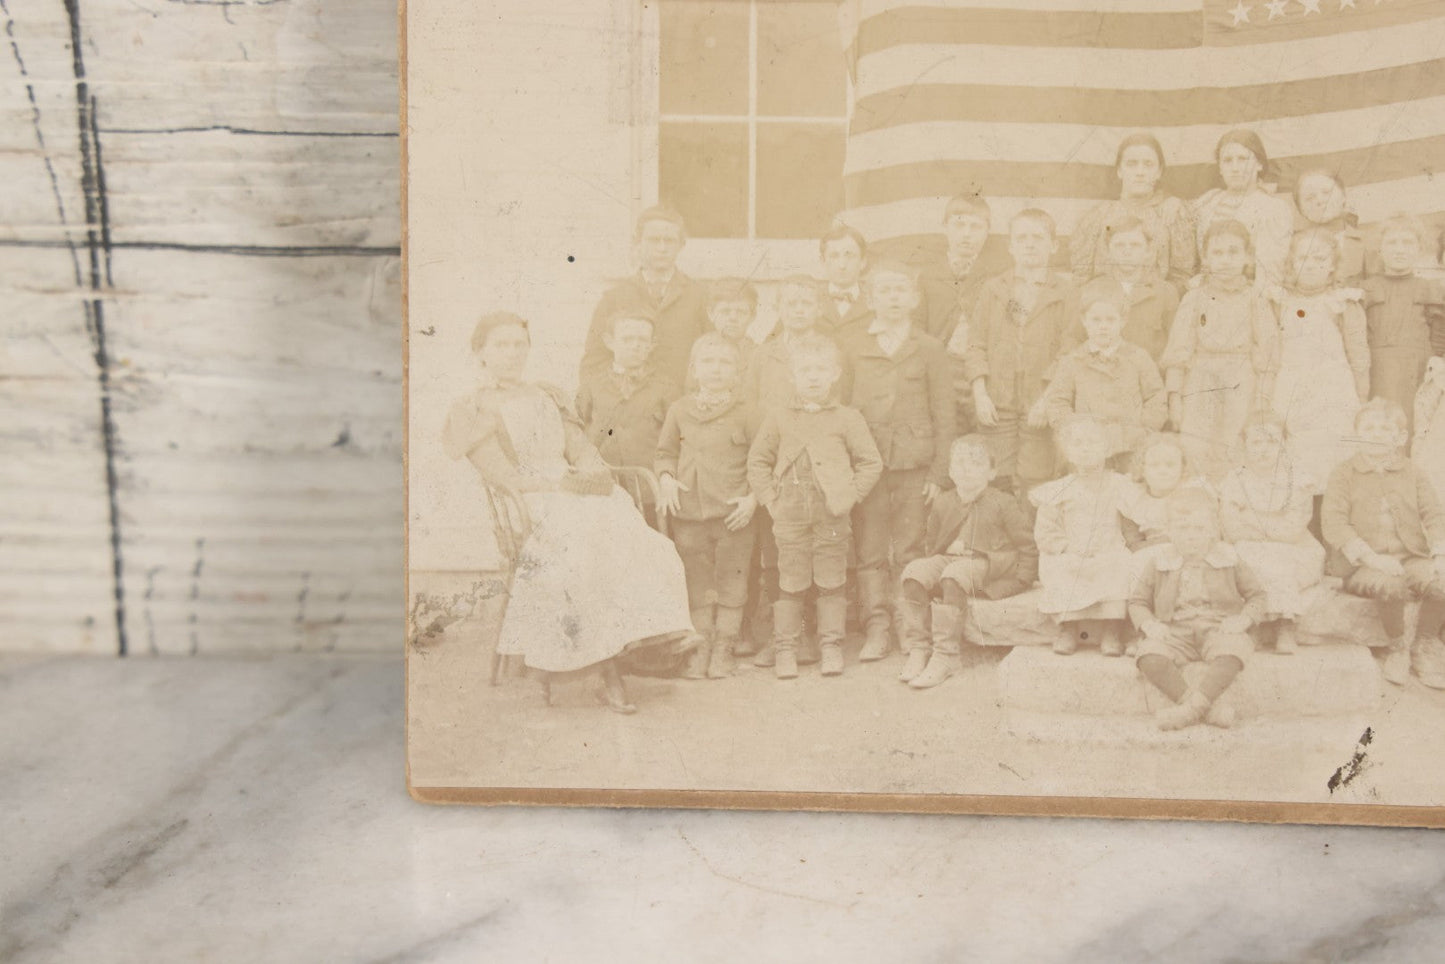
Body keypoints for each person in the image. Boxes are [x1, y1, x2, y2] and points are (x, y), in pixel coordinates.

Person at [442, 312, 697, 713]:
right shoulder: (472, 407)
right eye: (501, 346)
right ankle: (607, 672)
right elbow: (502, 476)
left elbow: (580, 448)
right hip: (531, 501)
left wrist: (592, 471)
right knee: (583, 549)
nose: (512, 354)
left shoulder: (547, 394)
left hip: (572, 489)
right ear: (481, 353)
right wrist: (559, 486)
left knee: (643, 539)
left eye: (518, 345)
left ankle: (648, 640)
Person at [747, 335, 883, 678]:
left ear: (835, 374)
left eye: (821, 369)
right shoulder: (778, 417)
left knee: (831, 579)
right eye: (805, 370)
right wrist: (771, 501)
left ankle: (831, 647)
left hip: (832, 512)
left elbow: (870, 462)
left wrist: (849, 496)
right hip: (789, 512)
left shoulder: (848, 418)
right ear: (792, 376)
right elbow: (758, 462)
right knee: (790, 580)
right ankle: (786, 650)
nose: (813, 377)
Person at [844, 261, 956, 661]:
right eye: (884, 291)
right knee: (871, 551)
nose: (893, 298)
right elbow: (841, 410)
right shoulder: (854, 345)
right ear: (870, 299)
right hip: (868, 467)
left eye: (900, 290)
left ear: (914, 298)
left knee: (909, 552)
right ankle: (876, 628)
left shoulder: (929, 348)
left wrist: (940, 473)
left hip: (915, 468)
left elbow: (945, 413)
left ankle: (912, 632)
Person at [895, 436, 1037, 689]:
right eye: (960, 463)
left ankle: (947, 655)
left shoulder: (1003, 502)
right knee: (913, 572)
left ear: (992, 472)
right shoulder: (943, 501)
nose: (967, 469)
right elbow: (932, 544)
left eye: (976, 463)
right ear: (950, 471)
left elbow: (1027, 544)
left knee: (955, 574)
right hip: (952, 561)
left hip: (989, 562)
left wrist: (1021, 580)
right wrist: (940, 561)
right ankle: (919, 646)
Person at [1321, 398, 1445, 689]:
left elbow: (1434, 513)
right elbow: (1334, 523)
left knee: (1441, 579)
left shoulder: (1413, 472)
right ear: (1357, 433)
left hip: (1410, 557)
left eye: (1385, 428)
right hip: (1362, 565)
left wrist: (1439, 552)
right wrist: (1373, 559)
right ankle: (1397, 646)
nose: (1376, 433)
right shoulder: (1343, 474)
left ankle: (1425, 644)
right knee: (1392, 585)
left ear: (1400, 437)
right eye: (1369, 427)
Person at [656, 335, 758, 680]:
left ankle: (724, 649)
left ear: (738, 371)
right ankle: (700, 648)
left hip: (734, 513)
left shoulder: (748, 411)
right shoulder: (680, 409)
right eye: (708, 362)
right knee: (698, 583)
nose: (716, 370)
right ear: (694, 369)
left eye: (725, 363)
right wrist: (667, 477)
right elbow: (665, 452)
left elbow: (763, 459)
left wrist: (752, 498)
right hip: (689, 513)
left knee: (732, 581)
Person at [964, 208, 1081, 500]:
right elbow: (976, 344)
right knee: (995, 478)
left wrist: (1048, 398)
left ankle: (1031, 544)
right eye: (1022, 238)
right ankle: (997, 545)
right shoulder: (994, 289)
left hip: (1039, 402)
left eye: (1038, 238)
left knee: (1036, 479)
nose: (1030, 244)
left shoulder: (1065, 292)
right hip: (997, 401)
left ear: (1053, 245)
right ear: (1011, 246)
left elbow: (1070, 351)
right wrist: (980, 394)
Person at [1130, 488, 1268, 731]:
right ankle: (1204, 709)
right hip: (1175, 630)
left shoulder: (1229, 558)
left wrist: (1243, 620)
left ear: (1213, 530)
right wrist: (1149, 624)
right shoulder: (1159, 560)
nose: (1191, 536)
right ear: (1169, 530)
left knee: (1233, 651)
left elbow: (1257, 596)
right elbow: (1138, 601)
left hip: (1218, 628)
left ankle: (1188, 712)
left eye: (1199, 529)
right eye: (1183, 528)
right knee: (1148, 656)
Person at [1160, 219, 1277, 481]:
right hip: (1200, 378)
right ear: (1206, 257)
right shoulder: (1195, 298)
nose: (1225, 260)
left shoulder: (1255, 299)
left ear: (1248, 256)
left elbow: (1267, 353)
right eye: (1218, 253)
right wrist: (1175, 397)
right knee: (1196, 444)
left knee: (1234, 444)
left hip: (1240, 379)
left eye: (1233, 252)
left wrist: (1262, 398)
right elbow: (1179, 350)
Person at [1031, 415, 1148, 657]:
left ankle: (1112, 629)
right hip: (1072, 553)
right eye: (1077, 443)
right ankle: (1068, 627)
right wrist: (1066, 548)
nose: (1085, 448)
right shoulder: (1059, 489)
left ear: (1106, 449)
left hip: (1109, 551)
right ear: (1068, 452)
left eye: (1093, 442)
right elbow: (1046, 531)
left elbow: (1134, 522)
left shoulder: (1118, 484)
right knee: (1056, 565)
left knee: (1120, 564)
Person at [1218, 414, 1325, 655]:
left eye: (1272, 442)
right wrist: (1268, 528)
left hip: (1295, 549)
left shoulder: (1296, 480)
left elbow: (1293, 530)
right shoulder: (1236, 480)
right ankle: (1257, 622)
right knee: (1247, 557)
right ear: (1244, 446)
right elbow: (1232, 529)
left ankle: (1285, 624)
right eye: (1256, 443)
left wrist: (1252, 523)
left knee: (1277, 560)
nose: (1264, 450)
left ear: (1284, 445)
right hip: (1249, 547)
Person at [1269, 228, 1369, 484]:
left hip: (1333, 386)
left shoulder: (1341, 301)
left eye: (1319, 259)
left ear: (1333, 267)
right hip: (1292, 385)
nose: (1311, 265)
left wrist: (1361, 395)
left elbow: (1358, 353)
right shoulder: (1280, 301)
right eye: (1303, 259)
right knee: (1297, 452)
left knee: (1335, 448)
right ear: (1291, 265)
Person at [579, 206, 708, 389]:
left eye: (669, 241)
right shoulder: (614, 299)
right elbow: (594, 362)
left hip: (682, 404)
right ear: (637, 242)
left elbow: (714, 353)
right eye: (654, 240)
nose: (662, 248)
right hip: (631, 406)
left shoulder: (699, 296)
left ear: (681, 245)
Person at [1043, 282, 1166, 470]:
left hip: (1130, 448)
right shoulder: (1073, 360)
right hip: (1087, 450)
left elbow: (1156, 398)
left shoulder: (1138, 357)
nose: (1103, 327)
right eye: (1096, 320)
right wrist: (1076, 433)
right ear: (1084, 320)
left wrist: (1143, 430)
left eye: (1110, 320)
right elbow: (1057, 402)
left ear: (1123, 321)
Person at [1070, 131, 1196, 288]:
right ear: (1119, 171)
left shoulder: (1173, 214)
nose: (1140, 172)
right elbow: (1081, 276)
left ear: (1159, 172)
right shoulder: (1098, 215)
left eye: (1148, 164)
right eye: (1132, 164)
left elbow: (1182, 277)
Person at [575, 310, 678, 498]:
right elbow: (578, 430)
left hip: (649, 489)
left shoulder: (666, 388)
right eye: (627, 339)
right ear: (609, 341)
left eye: (642, 340)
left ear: (652, 345)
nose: (635, 346)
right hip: (604, 487)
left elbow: (675, 438)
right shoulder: (591, 385)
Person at [1362, 215, 1445, 425]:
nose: (1400, 249)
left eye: (1408, 243)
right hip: (1377, 371)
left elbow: (1439, 335)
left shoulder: (1432, 289)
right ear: (1379, 250)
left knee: (1414, 426)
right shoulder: (1366, 289)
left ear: (1420, 249)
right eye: (1392, 242)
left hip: (1419, 371)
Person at [1192, 129, 1294, 288]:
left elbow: (1270, 274)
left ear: (1259, 164)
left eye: (1243, 159)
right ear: (1219, 167)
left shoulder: (1273, 209)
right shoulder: (1206, 204)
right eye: (1227, 160)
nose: (1235, 168)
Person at [1084, 217, 1180, 364]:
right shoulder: (1093, 288)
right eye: (1119, 245)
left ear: (1148, 251)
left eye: (1135, 245)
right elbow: (1074, 338)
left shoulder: (1166, 292)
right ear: (1108, 251)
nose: (1127, 251)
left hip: (1149, 378)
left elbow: (1176, 345)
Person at [916, 194, 1000, 344]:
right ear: (945, 227)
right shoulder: (925, 277)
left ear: (987, 231)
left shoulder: (997, 278)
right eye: (959, 225)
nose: (966, 234)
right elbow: (916, 329)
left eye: (976, 227)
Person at [1292, 168, 1366, 284]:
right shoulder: (1291, 247)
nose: (1320, 200)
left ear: (1343, 197)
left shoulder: (1366, 242)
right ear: (1301, 209)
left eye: (1327, 192)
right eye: (1310, 198)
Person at [816, 223, 874, 345]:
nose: (842, 265)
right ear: (823, 261)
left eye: (850, 256)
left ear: (863, 261)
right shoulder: (809, 298)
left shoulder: (877, 299)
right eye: (834, 256)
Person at [702, 276, 760, 377]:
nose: (733, 318)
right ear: (711, 313)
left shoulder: (759, 355)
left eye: (741, 312)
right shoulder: (701, 351)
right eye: (725, 311)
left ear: (752, 316)